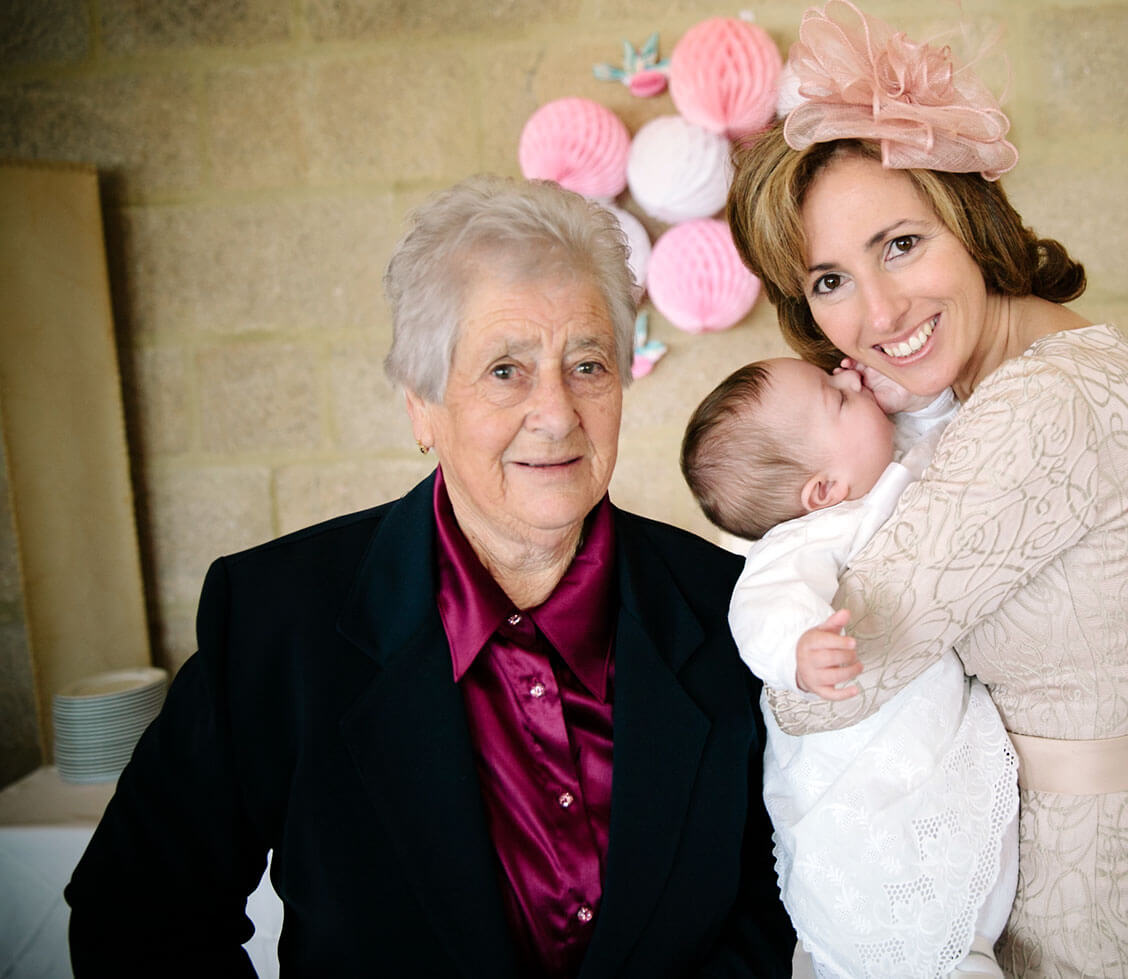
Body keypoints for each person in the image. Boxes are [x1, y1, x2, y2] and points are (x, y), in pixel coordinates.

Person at [65, 175, 795, 977]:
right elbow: (136, 913)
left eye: (586, 364)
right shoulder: (280, 622)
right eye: (506, 371)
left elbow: (768, 897)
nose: (556, 413)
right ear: (421, 405)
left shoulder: (732, 610)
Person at [725, 0, 1128, 976]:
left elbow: (836, 687)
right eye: (829, 281)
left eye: (899, 244)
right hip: (1072, 887)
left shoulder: (1040, 411)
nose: (877, 312)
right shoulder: (1026, 370)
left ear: (967, 220)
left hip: (1104, 924)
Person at [681, 356, 1018, 978]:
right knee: (906, 933)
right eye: (837, 398)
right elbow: (760, 607)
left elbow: (950, 429)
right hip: (865, 798)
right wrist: (799, 650)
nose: (851, 380)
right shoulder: (800, 541)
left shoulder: (884, 470)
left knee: (959, 920)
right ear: (823, 491)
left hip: (939, 765)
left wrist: (897, 388)